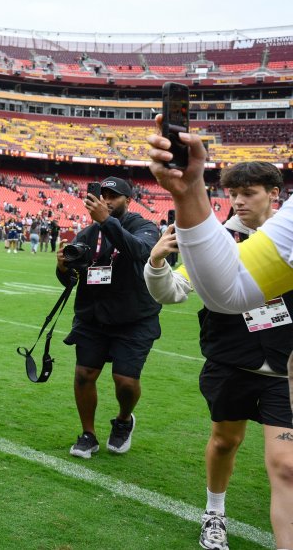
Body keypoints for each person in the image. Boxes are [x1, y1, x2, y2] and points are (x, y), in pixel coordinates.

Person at [143, 162, 293, 550]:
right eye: (233, 194)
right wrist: (156, 262)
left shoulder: (288, 237)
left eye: (249, 193)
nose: (239, 202)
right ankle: (214, 511)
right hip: (231, 363)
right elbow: (174, 291)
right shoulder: (216, 239)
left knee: (287, 465)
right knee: (226, 440)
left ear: (274, 194)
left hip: (284, 370)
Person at [55, 176, 162, 459]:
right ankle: (88, 434)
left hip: (135, 317)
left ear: (128, 199)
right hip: (94, 317)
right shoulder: (89, 233)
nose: (107, 200)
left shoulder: (144, 227)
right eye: (102, 195)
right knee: (83, 375)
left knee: (125, 381)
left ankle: (125, 419)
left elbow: (139, 251)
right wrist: (64, 268)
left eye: (113, 196)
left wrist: (106, 221)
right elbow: (72, 280)